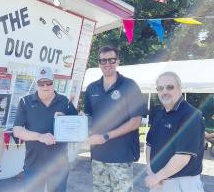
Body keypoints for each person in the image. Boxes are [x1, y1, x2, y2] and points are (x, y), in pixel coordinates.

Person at [84, 46, 148, 192]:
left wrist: (105, 137)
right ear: (99, 63)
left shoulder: (129, 85)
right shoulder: (92, 88)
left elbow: (135, 121)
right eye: (103, 60)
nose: (107, 63)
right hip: (98, 155)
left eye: (111, 60)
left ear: (118, 61)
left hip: (121, 156)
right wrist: (78, 123)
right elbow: (89, 117)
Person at [13, 66, 78, 192]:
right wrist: (40, 137)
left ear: (53, 83)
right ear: (37, 85)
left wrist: (67, 120)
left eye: (48, 83)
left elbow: (77, 129)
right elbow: (17, 130)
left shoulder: (65, 102)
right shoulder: (25, 102)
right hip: (34, 165)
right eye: (41, 83)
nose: (45, 86)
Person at [145, 71, 205, 192]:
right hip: (158, 182)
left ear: (180, 88)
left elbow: (182, 157)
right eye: (160, 88)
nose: (164, 91)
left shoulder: (190, 115)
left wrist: (157, 177)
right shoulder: (159, 113)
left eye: (170, 87)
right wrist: (150, 170)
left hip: (181, 185)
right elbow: (149, 144)